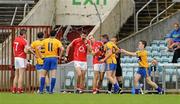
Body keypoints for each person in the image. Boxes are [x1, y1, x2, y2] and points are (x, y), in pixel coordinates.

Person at [12, 29, 35, 94]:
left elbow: (14, 50)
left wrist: (15, 56)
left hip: (16, 58)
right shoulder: (23, 40)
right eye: (26, 34)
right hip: (21, 58)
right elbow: (26, 50)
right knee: (21, 75)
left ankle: (14, 89)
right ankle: (19, 89)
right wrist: (34, 53)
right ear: (24, 34)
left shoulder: (16, 39)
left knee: (16, 75)